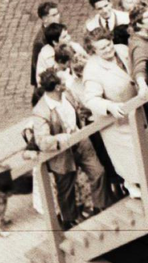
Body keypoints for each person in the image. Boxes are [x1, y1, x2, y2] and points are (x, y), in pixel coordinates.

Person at [31, 69, 110, 228]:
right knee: (66, 189)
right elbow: (41, 141)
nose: (67, 81)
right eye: (63, 81)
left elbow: (79, 109)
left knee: (98, 172)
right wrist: (57, 138)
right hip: (62, 153)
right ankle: (69, 220)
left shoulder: (67, 95)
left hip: (81, 142)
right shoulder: (40, 111)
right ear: (57, 87)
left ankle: (100, 207)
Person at [79, 29, 142, 199]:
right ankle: (131, 184)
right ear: (94, 51)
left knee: (143, 150)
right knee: (129, 157)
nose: (108, 49)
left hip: (136, 110)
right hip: (117, 120)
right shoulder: (92, 70)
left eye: (109, 44)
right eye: (102, 48)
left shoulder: (121, 50)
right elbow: (91, 99)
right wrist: (110, 106)